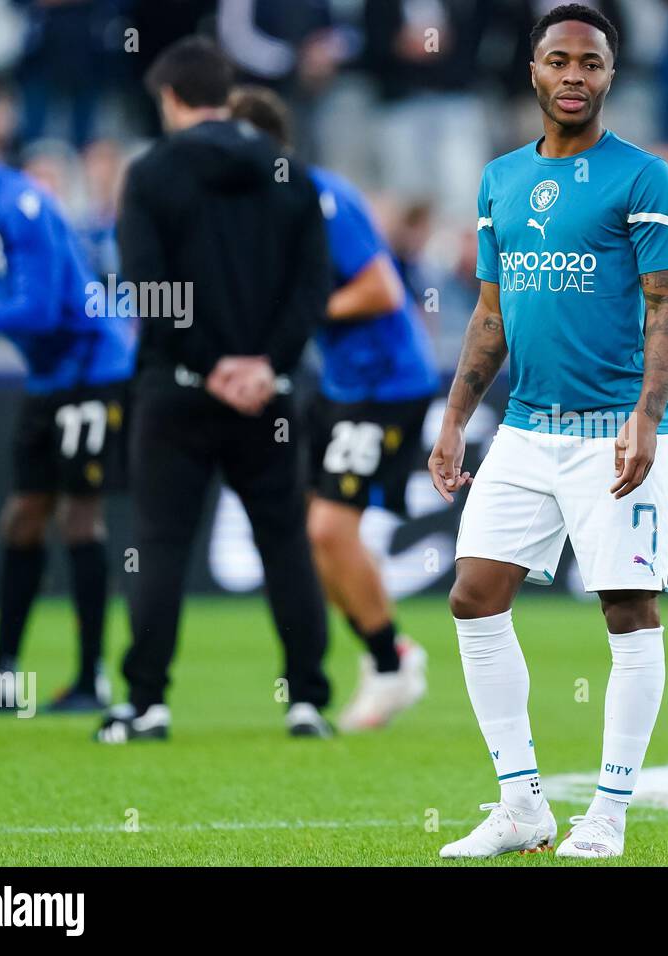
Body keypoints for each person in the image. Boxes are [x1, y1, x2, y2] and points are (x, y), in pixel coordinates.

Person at [428, 4, 668, 859]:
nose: (574, 75)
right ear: (532, 71)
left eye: (591, 63)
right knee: (473, 593)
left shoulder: (642, 176)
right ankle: (523, 806)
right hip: (528, 427)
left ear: (611, 77)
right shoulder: (500, 179)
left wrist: (647, 416)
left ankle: (608, 814)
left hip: (612, 426)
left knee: (627, 609)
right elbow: (490, 315)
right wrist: (457, 417)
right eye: (558, 61)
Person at [98, 37, 333, 742]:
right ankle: (306, 702)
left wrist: (208, 366)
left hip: (175, 393)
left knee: (161, 544)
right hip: (270, 397)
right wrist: (263, 364)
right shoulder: (291, 171)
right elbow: (312, 286)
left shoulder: (151, 172)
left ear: (170, 98)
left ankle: (146, 703)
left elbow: (149, 286)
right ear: (226, 96)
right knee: (285, 543)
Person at [228, 85, 437, 731]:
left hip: (387, 384)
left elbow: (379, 288)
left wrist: (297, 317)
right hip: (340, 386)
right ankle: (391, 654)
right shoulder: (260, 208)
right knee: (318, 538)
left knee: (327, 529)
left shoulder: (318, 196)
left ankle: (389, 663)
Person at [0, 101, 135, 711]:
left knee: (79, 517)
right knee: (21, 518)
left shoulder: (22, 204)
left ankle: (93, 677)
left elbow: (41, 309)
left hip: (95, 369)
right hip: (48, 378)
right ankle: (2, 678)